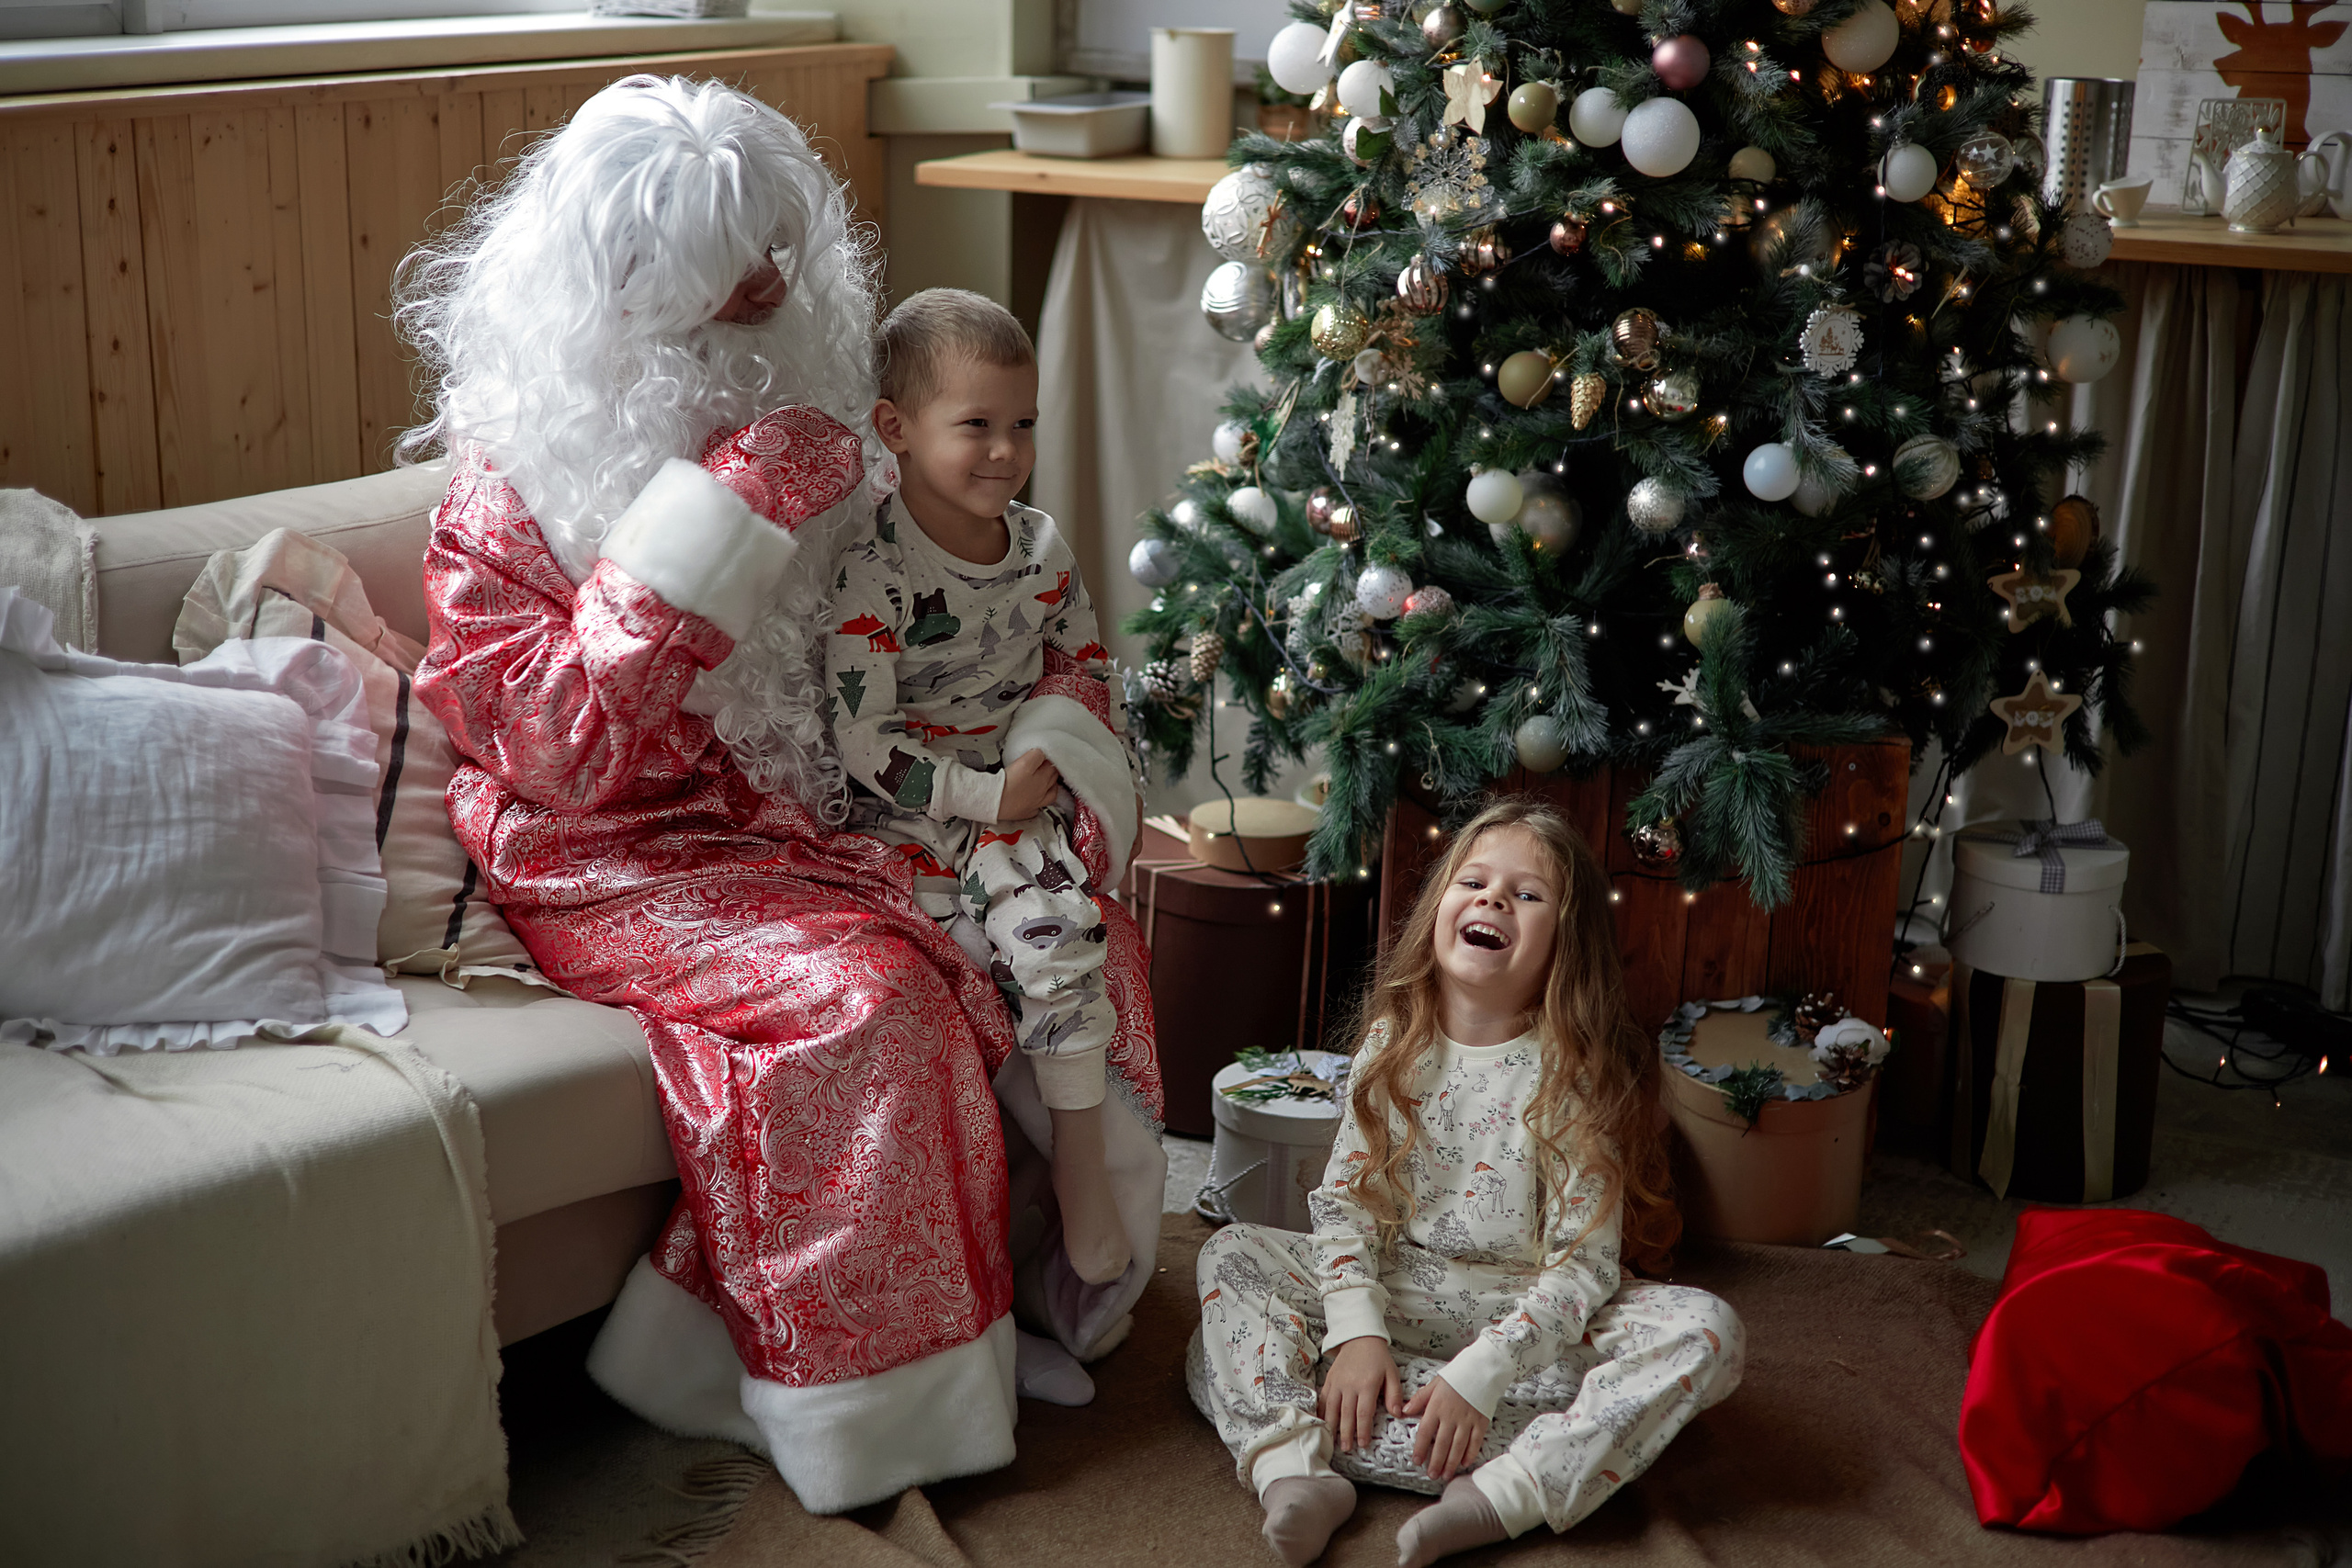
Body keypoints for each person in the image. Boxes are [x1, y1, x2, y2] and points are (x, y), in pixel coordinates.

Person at [396, 74, 1164, 1514]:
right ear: (620, 287)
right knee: (877, 992)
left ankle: (1043, 1299)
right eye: (723, 265)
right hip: (608, 853)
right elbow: (558, 751)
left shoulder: (837, 426)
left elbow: (971, 612)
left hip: (810, 808)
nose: (768, 281)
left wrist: (1049, 763)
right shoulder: (509, 491)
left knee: (1069, 928)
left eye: (777, 244)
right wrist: (720, 518)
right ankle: (868, 1395)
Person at [1191, 800, 1745, 1566]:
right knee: (1231, 1254)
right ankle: (1294, 1469)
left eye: (1527, 894)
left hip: (1525, 1317)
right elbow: (1347, 1207)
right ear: (1441, 908)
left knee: (1707, 1328)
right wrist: (1355, 1330)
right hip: (1402, 1287)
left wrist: (1482, 1375)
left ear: (1564, 945)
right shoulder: (1393, 1042)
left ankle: (1506, 1490)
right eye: (1475, 882)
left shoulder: (1572, 1079)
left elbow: (1583, 1267)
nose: (1492, 899)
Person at [823, 288, 1139, 1286]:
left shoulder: (1042, 552)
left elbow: (1083, 665)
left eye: (1023, 425)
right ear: (897, 430)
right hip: (914, 810)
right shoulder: (871, 571)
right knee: (944, 977)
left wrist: (1071, 772)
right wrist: (976, 796)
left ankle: (1083, 1176)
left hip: (1018, 800)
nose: (1005, 450)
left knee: (1059, 940)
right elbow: (861, 737)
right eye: (976, 426)